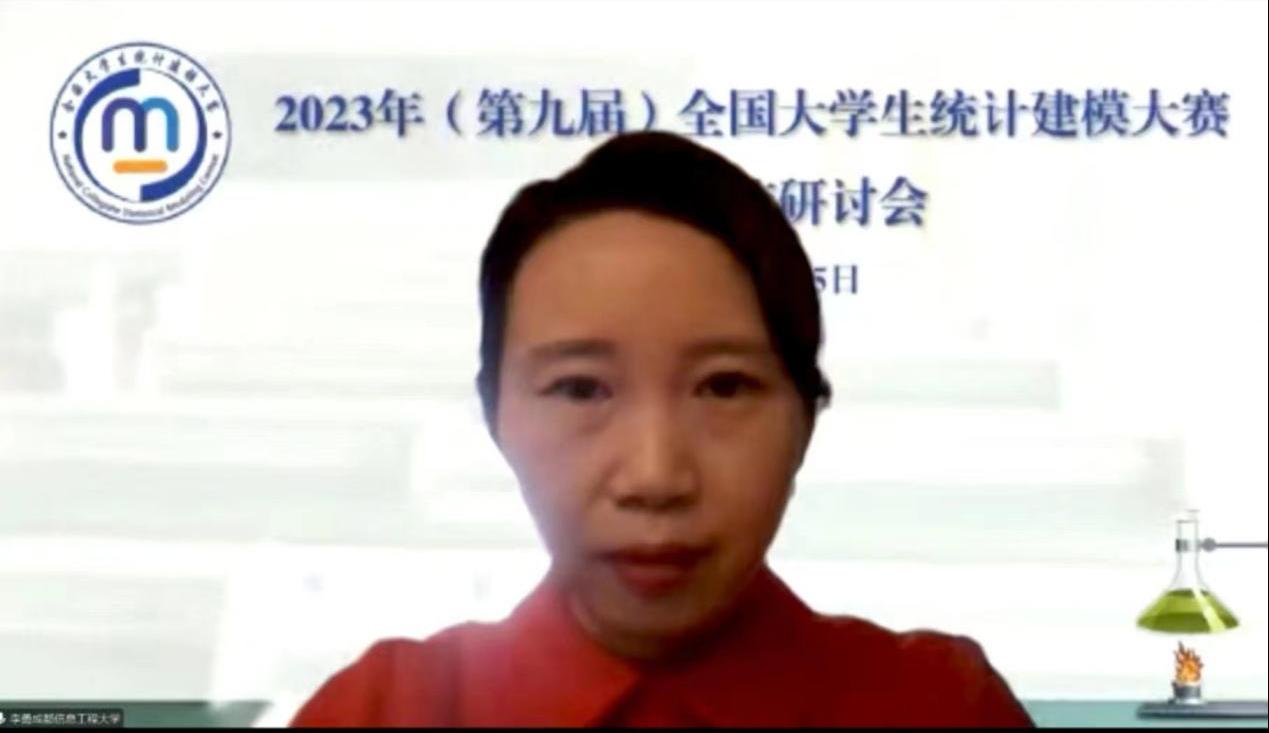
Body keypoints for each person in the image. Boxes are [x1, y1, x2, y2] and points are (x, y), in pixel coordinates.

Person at [291, 131, 1033, 727]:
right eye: (580, 388)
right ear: (496, 416)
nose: (655, 477)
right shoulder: (384, 710)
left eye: (724, 386)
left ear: (806, 415)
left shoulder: (935, 706)